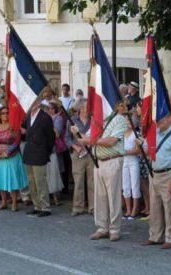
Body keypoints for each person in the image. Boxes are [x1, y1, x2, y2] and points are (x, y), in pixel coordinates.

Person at [76, 101, 127, 242]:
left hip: (112, 159)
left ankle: (115, 228)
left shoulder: (119, 119)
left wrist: (92, 141)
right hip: (98, 161)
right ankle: (102, 227)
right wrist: (78, 134)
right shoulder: (96, 120)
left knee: (113, 196)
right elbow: (86, 138)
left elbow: (111, 141)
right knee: (100, 196)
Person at [140, 114, 171, 249]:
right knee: (155, 206)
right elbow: (146, 151)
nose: (160, 122)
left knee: (170, 207)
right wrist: (141, 145)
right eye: (159, 119)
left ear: (170, 119)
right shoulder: (153, 133)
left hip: (168, 173)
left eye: (164, 118)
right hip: (154, 174)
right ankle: (155, 236)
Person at [0, 107, 28, 211]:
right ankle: (3, 202)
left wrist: (7, 152)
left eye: (7, 113)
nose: (5, 115)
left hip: (11, 157)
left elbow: (16, 142)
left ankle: (14, 203)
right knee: (1, 180)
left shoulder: (14, 127)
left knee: (13, 180)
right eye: (3, 113)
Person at [22, 100, 54, 217]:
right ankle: (37, 205)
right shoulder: (28, 116)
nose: (30, 104)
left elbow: (51, 138)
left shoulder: (45, 117)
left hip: (40, 153)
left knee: (40, 181)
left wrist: (47, 153)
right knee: (31, 182)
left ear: (38, 104)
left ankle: (45, 207)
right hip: (29, 152)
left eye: (33, 102)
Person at [65, 98, 94, 216]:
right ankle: (77, 207)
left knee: (92, 182)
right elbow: (66, 138)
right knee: (78, 182)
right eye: (86, 107)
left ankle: (93, 207)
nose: (88, 109)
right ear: (80, 108)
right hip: (78, 154)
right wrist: (75, 147)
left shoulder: (93, 121)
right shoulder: (72, 121)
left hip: (91, 153)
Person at [42, 100, 64, 206]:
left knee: (53, 173)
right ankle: (46, 197)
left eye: (51, 108)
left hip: (52, 149)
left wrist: (50, 121)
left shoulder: (58, 118)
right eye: (47, 108)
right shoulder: (42, 119)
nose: (49, 110)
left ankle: (56, 197)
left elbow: (57, 135)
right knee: (44, 174)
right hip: (42, 149)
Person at [122, 115, 141, 219]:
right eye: (127, 121)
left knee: (135, 185)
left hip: (133, 161)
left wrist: (125, 152)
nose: (128, 123)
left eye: (130, 122)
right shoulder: (122, 134)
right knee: (125, 186)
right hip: (124, 161)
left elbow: (138, 150)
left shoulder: (136, 134)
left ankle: (134, 210)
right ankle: (128, 209)